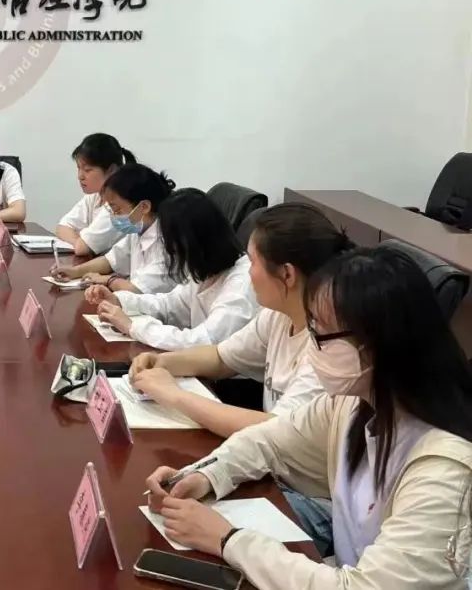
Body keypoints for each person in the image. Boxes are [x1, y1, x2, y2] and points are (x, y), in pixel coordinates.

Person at [143, 246, 472, 590]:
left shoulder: (445, 471)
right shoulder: (355, 405)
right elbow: (269, 440)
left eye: (321, 334)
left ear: (380, 343)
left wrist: (227, 540)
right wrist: (205, 474)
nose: (312, 346)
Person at [128, 204, 350, 437]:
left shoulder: (330, 345)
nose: (248, 272)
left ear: (287, 274)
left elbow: (277, 430)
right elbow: (221, 358)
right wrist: (162, 362)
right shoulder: (278, 315)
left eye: (253, 262)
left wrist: (174, 395)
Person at [85, 188, 256, 350]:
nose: (171, 252)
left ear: (193, 242)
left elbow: (205, 342)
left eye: (173, 245)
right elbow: (169, 305)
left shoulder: (242, 284)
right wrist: (120, 301)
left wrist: (132, 326)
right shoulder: (208, 267)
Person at [54, 164, 176, 294]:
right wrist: (75, 271)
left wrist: (107, 280)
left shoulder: (169, 242)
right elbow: (110, 261)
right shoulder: (138, 230)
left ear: (144, 207)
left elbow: (137, 289)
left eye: (117, 210)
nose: (114, 216)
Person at [55, 133, 135, 256]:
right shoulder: (94, 197)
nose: (80, 176)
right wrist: (79, 242)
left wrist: (82, 244)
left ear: (112, 170)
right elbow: (62, 227)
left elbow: (82, 248)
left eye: (87, 170)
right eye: (78, 168)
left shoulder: (120, 205)